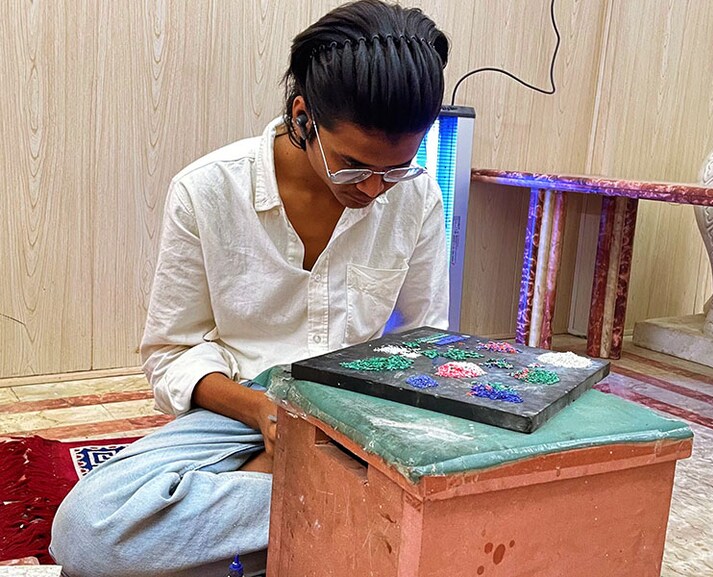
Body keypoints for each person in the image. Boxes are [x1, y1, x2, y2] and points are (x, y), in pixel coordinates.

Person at [49, 2, 450, 575]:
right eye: (353, 166)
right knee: (89, 529)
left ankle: (282, 527)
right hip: (243, 406)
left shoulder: (416, 198)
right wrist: (262, 414)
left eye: (396, 168)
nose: (374, 189)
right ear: (303, 115)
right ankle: (351, 528)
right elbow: (170, 354)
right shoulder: (207, 191)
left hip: (361, 415)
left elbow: (422, 340)